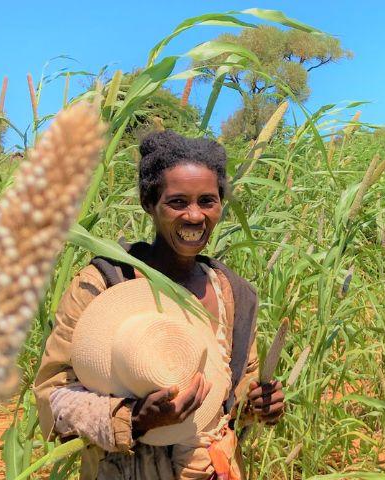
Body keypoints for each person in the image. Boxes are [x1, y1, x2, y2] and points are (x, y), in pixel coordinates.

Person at [34, 131, 284, 479]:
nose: (195, 216)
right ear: (149, 203)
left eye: (207, 201)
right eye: (178, 202)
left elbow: (236, 389)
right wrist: (134, 418)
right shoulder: (105, 284)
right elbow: (53, 398)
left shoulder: (232, 292)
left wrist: (255, 403)